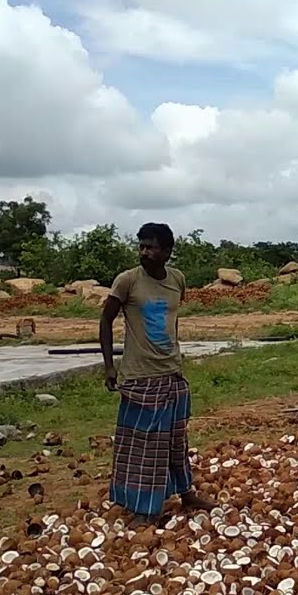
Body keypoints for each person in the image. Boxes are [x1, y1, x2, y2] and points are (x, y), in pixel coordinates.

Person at [99, 222, 213, 527]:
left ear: (167, 251)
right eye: (142, 246)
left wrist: (174, 354)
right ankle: (144, 507)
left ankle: (185, 493)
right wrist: (110, 365)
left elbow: (170, 321)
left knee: (176, 439)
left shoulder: (177, 280)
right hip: (140, 376)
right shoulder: (127, 281)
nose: (145, 252)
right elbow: (106, 320)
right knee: (143, 445)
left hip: (172, 373)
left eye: (152, 246)